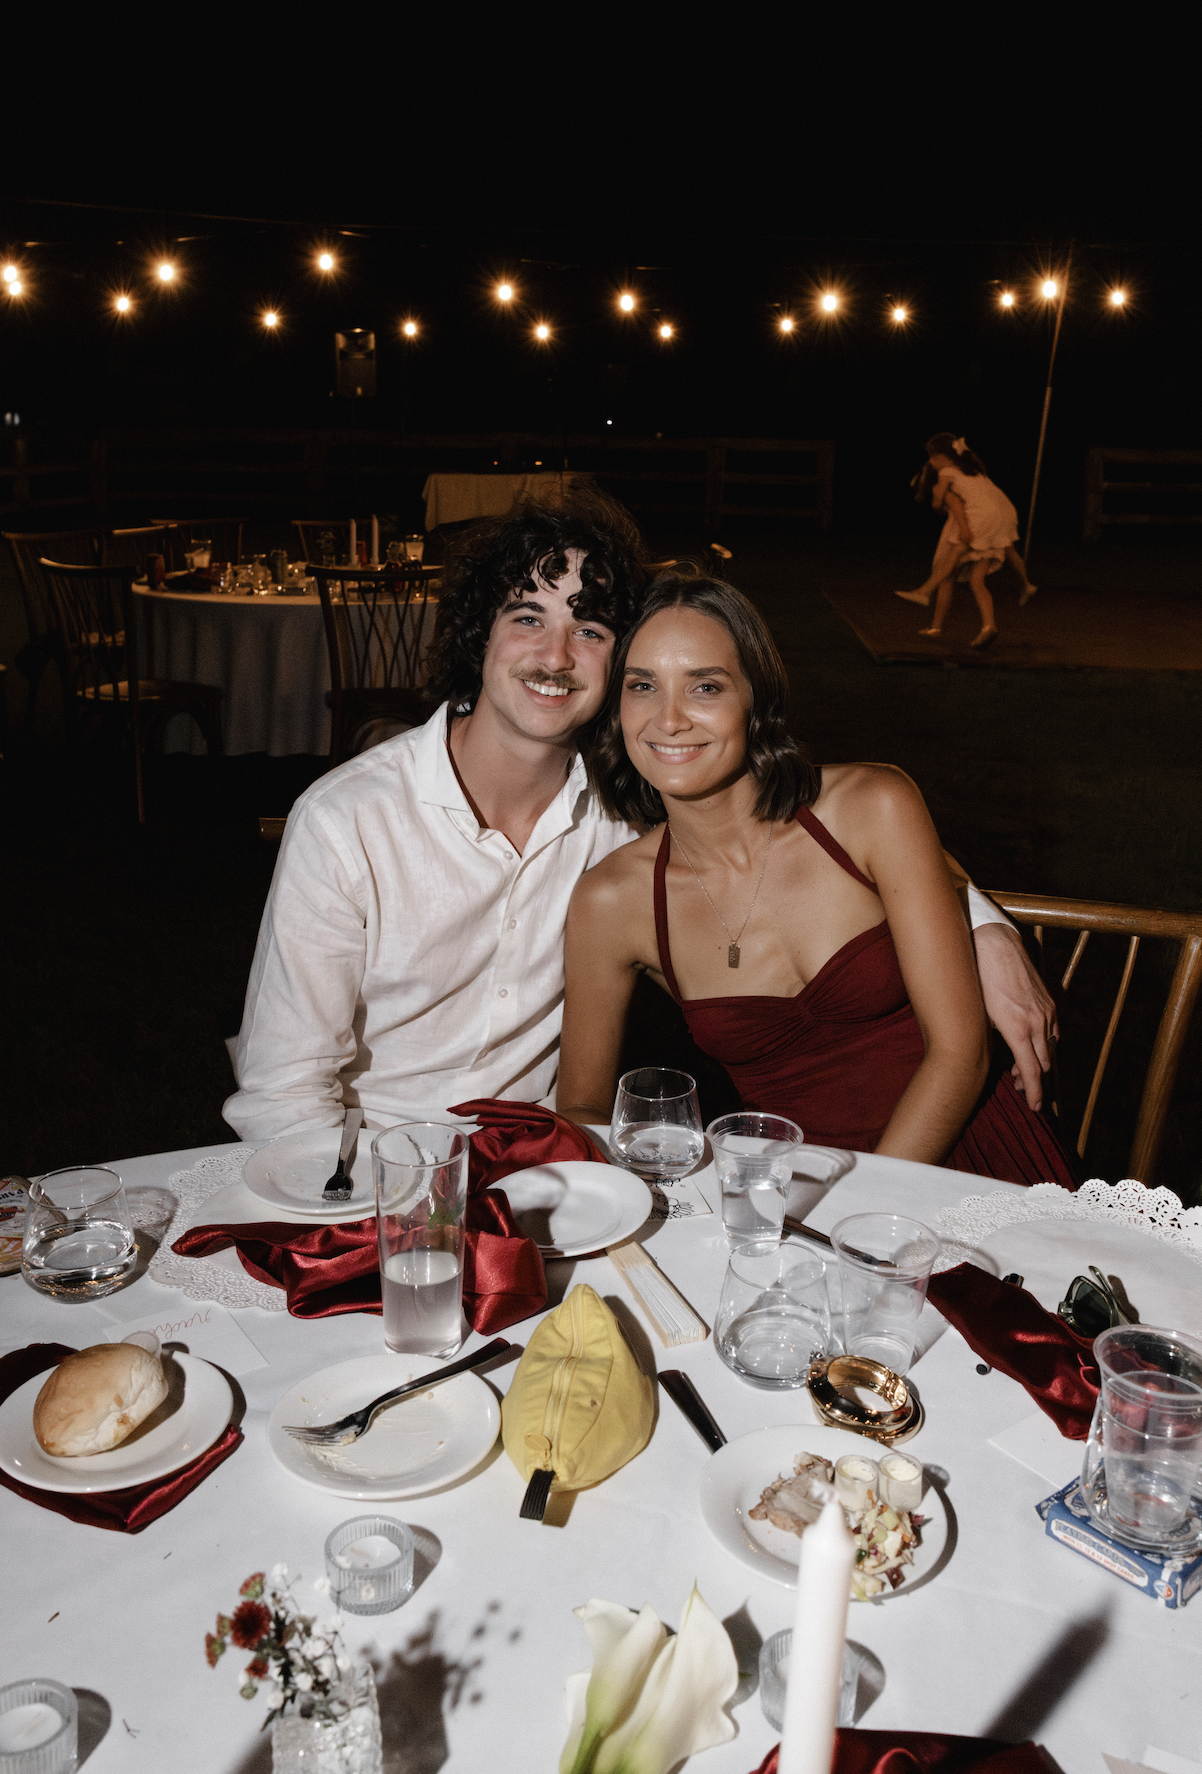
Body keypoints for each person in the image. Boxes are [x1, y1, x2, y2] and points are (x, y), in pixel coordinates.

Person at [224, 495, 1056, 1145]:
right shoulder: (346, 822)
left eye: (587, 629)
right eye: (526, 618)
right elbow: (285, 1094)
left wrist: (982, 926)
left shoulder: (629, 812)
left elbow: (809, 818)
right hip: (371, 1172)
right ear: (478, 635)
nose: (554, 657)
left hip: (536, 1180)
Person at [557, 574, 1074, 1185]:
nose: (668, 719)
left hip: (965, 1164)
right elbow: (583, 1110)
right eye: (643, 686)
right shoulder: (611, 900)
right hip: (788, 1196)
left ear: (757, 697)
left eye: (706, 686)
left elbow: (960, 1054)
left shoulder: (872, 807)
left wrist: (853, 1221)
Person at [895, 435, 1036, 647]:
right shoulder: (974, 472)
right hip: (1002, 515)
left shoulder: (946, 474)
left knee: (953, 559)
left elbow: (950, 506)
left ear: (941, 458)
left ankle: (925, 593)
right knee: (978, 579)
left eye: (932, 458)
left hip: (979, 521)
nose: (930, 462)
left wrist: (941, 506)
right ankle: (990, 625)